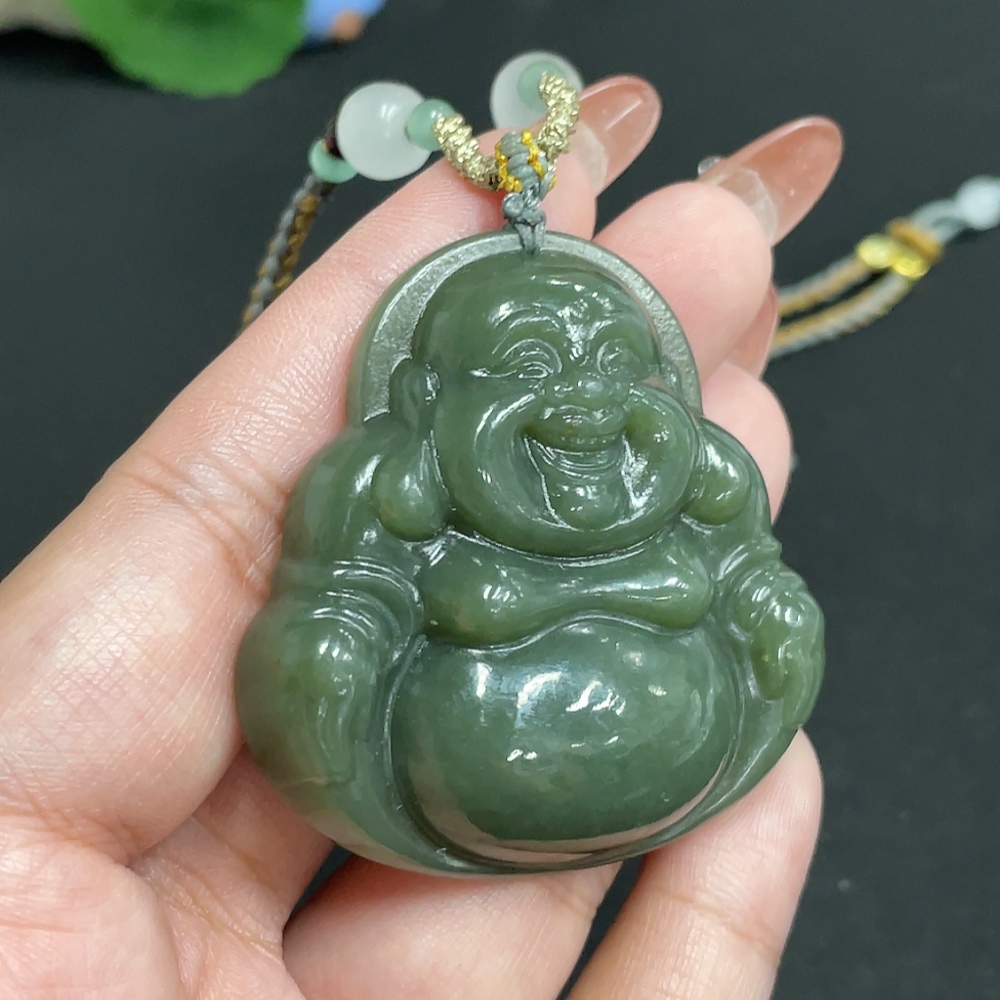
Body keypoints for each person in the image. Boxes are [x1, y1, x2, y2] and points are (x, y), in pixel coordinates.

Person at [0, 75, 840, 999]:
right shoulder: (384, 484)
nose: (588, 399)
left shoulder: (704, 472)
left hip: (690, 764)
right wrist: (325, 679)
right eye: (529, 364)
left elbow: (754, 578)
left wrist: (773, 618)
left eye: (616, 365)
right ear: (427, 396)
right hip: (447, 788)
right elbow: (334, 613)